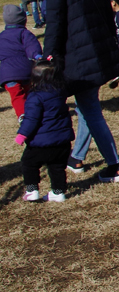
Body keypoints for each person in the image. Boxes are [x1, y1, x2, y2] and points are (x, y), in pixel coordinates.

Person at [42, 0, 119, 183]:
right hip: (95, 45)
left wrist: (49, 53)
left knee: (88, 108)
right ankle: (77, 157)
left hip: (75, 50)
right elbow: (105, 7)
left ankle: (114, 165)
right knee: (85, 106)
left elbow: (55, 20)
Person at [16, 60, 75, 203]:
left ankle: (32, 190)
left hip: (41, 143)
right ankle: (58, 192)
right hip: (62, 141)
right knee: (57, 167)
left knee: (28, 163)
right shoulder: (61, 91)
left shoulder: (35, 97)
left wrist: (22, 134)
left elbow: (31, 119)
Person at [0, 5, 43, 121]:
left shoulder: (1, 36)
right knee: (29, 92)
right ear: (24, 20)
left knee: (16, 95)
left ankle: (22, 115)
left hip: (7, 74)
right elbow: (32, 46)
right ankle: (33, 112)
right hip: (25, 70)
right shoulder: (25, 33)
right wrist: (36, 55)